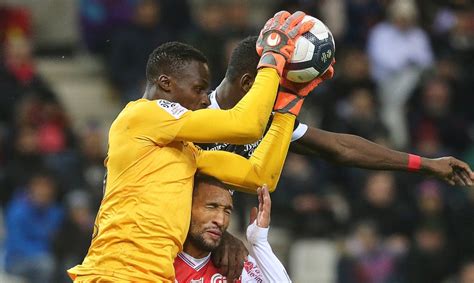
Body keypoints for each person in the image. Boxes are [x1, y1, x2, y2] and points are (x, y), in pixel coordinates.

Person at [68, 11, 320, 282]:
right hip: (116, 275)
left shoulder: (185, 152)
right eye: (198, 89)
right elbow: (246, 126)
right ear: (166, 83)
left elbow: (260, 176)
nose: (204, 99)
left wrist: (287, 106)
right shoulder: (141, 117)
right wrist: (273, 56)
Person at [202, 36, 474, 187]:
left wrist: (426, 164)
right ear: (250, 83)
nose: (284, 96)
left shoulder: (267, 122)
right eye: (280, 86)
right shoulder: (188, 117)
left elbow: (341, 147)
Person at [174, 175, 291, 282]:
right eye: (211, 207)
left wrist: (260, 242)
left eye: (227, 211)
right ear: (186, 207)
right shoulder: (162, 259)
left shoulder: (235, 265)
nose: (221, 220)